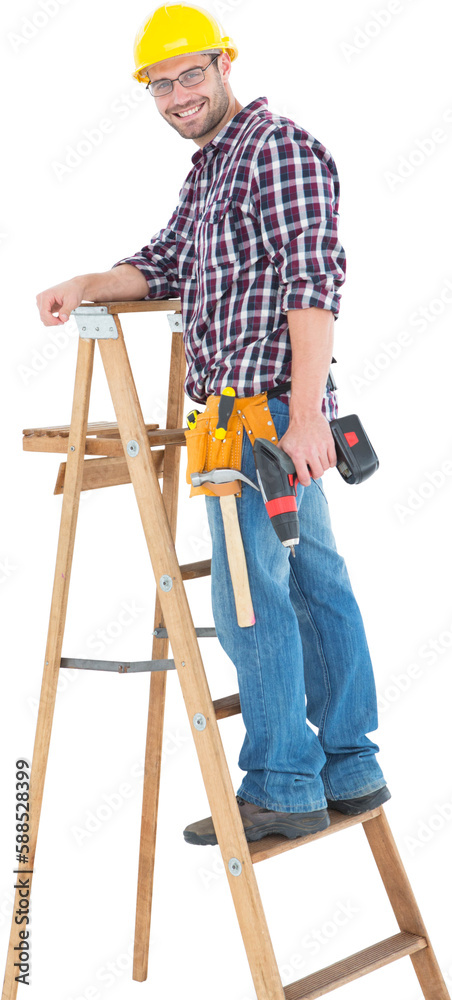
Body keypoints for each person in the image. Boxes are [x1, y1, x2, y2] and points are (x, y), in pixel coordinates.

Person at [36, 2, 390, 846]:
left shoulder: (277, 149)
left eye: (190, 74)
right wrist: (87, 280)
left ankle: (284, 785)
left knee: (252, 601)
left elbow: (314, 288)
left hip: (265, 418)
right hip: (252, 419)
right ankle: (350, 769)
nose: (176, 96)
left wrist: (305, 417)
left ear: (226, 63)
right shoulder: (209, 172)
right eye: (159, 85)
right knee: (311, 587)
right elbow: (161, 261)